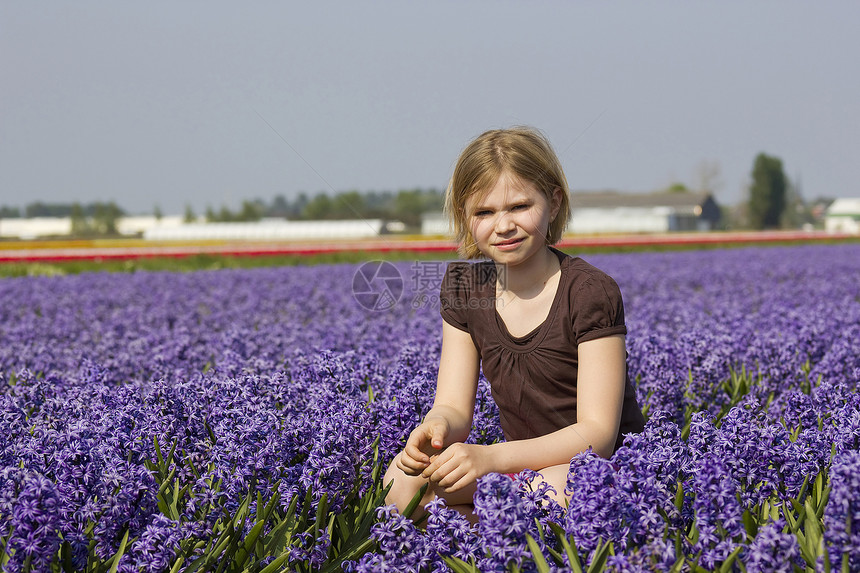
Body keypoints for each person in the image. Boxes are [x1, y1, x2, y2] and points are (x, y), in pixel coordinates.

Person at [383, 126, 645, 519]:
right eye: (484, 212)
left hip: (587, 467)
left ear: (553, 203)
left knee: (559, 494)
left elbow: (598, 435)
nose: (503, 225)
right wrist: (436, 427)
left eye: (519, 207)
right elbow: (454, 405)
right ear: (464, 216)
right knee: (400, 487)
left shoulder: (590, 291)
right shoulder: (464, 285)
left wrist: (490, 459)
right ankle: (486, 528)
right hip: (515, 468)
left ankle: (476, 530)